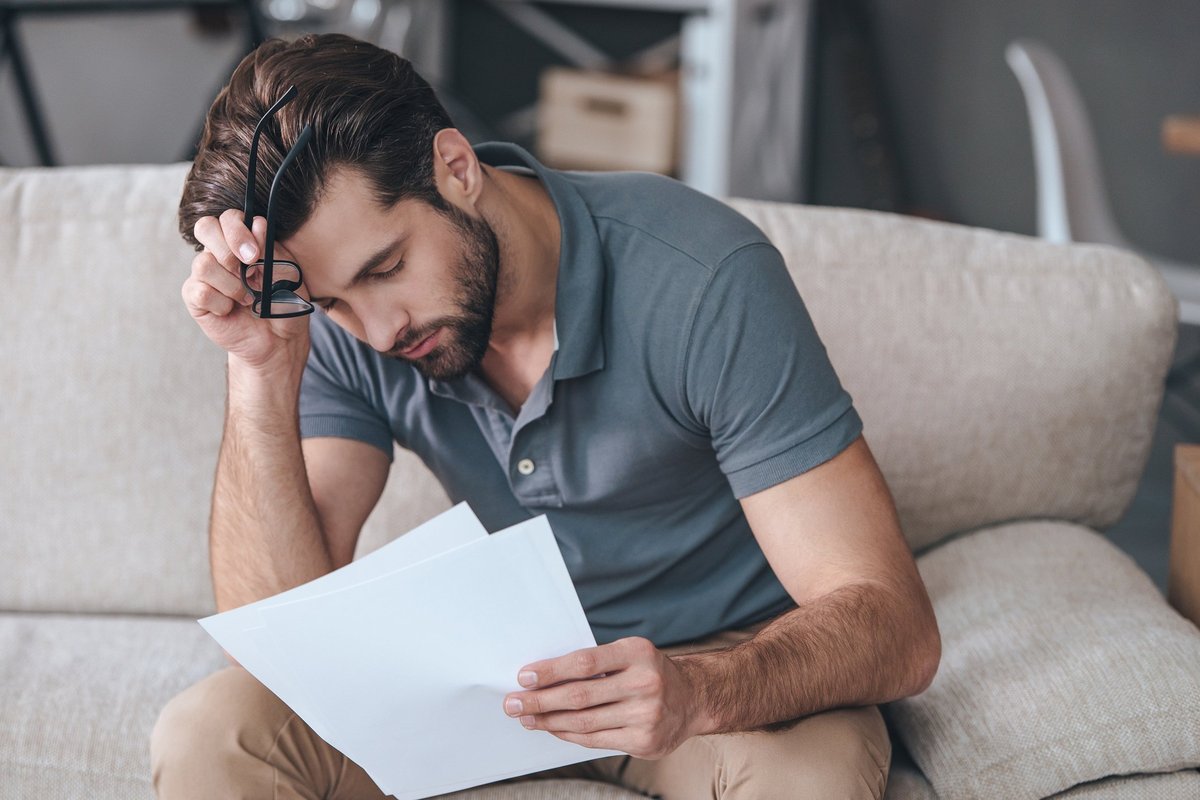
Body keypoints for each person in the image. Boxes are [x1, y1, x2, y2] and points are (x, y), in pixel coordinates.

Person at [151, 32, 939, 800]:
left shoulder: (703, 280)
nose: (380, 329)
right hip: (490, 672)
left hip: (715, 666)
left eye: (387, 267)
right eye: (332, 302)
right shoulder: (344, 327)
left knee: (809, 778)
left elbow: (895, 625)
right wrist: (260, 368)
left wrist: (699, 690)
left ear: (456, 167)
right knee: (211, 733)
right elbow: (281, 651)